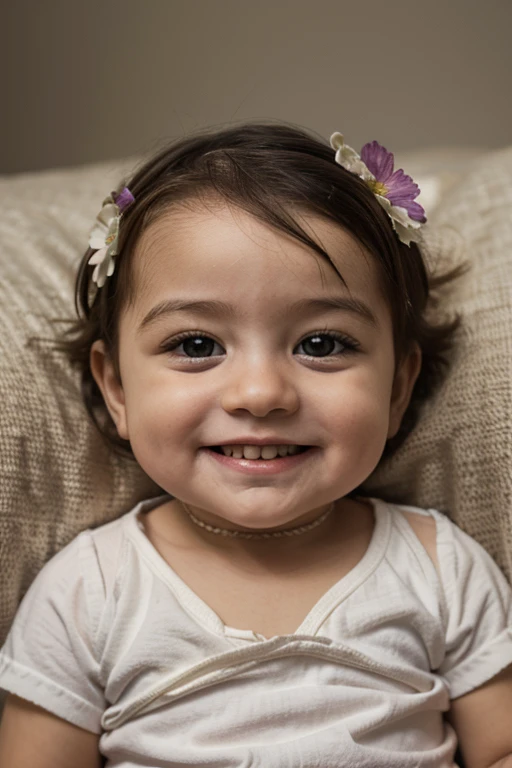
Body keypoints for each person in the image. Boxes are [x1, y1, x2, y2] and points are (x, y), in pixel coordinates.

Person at [0, 123, 511, 768]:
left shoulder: (440, 569)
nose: (260, 393)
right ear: (117, 389)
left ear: (397, 388)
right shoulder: (89, 590)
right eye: (196, 345)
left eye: (321, 344)